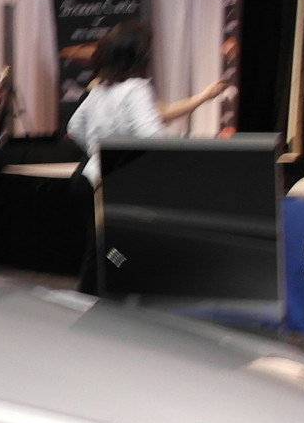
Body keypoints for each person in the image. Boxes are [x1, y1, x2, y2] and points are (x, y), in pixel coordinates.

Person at [64, 21, 233, 292]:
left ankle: (92, 307)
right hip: (113, 184)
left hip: (88, 179)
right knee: (112, 253)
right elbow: (152, 137)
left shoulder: (100, 88)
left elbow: (74, 127)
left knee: (102, 250)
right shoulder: (136, 89)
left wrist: (98, 152)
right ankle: (97, 309)